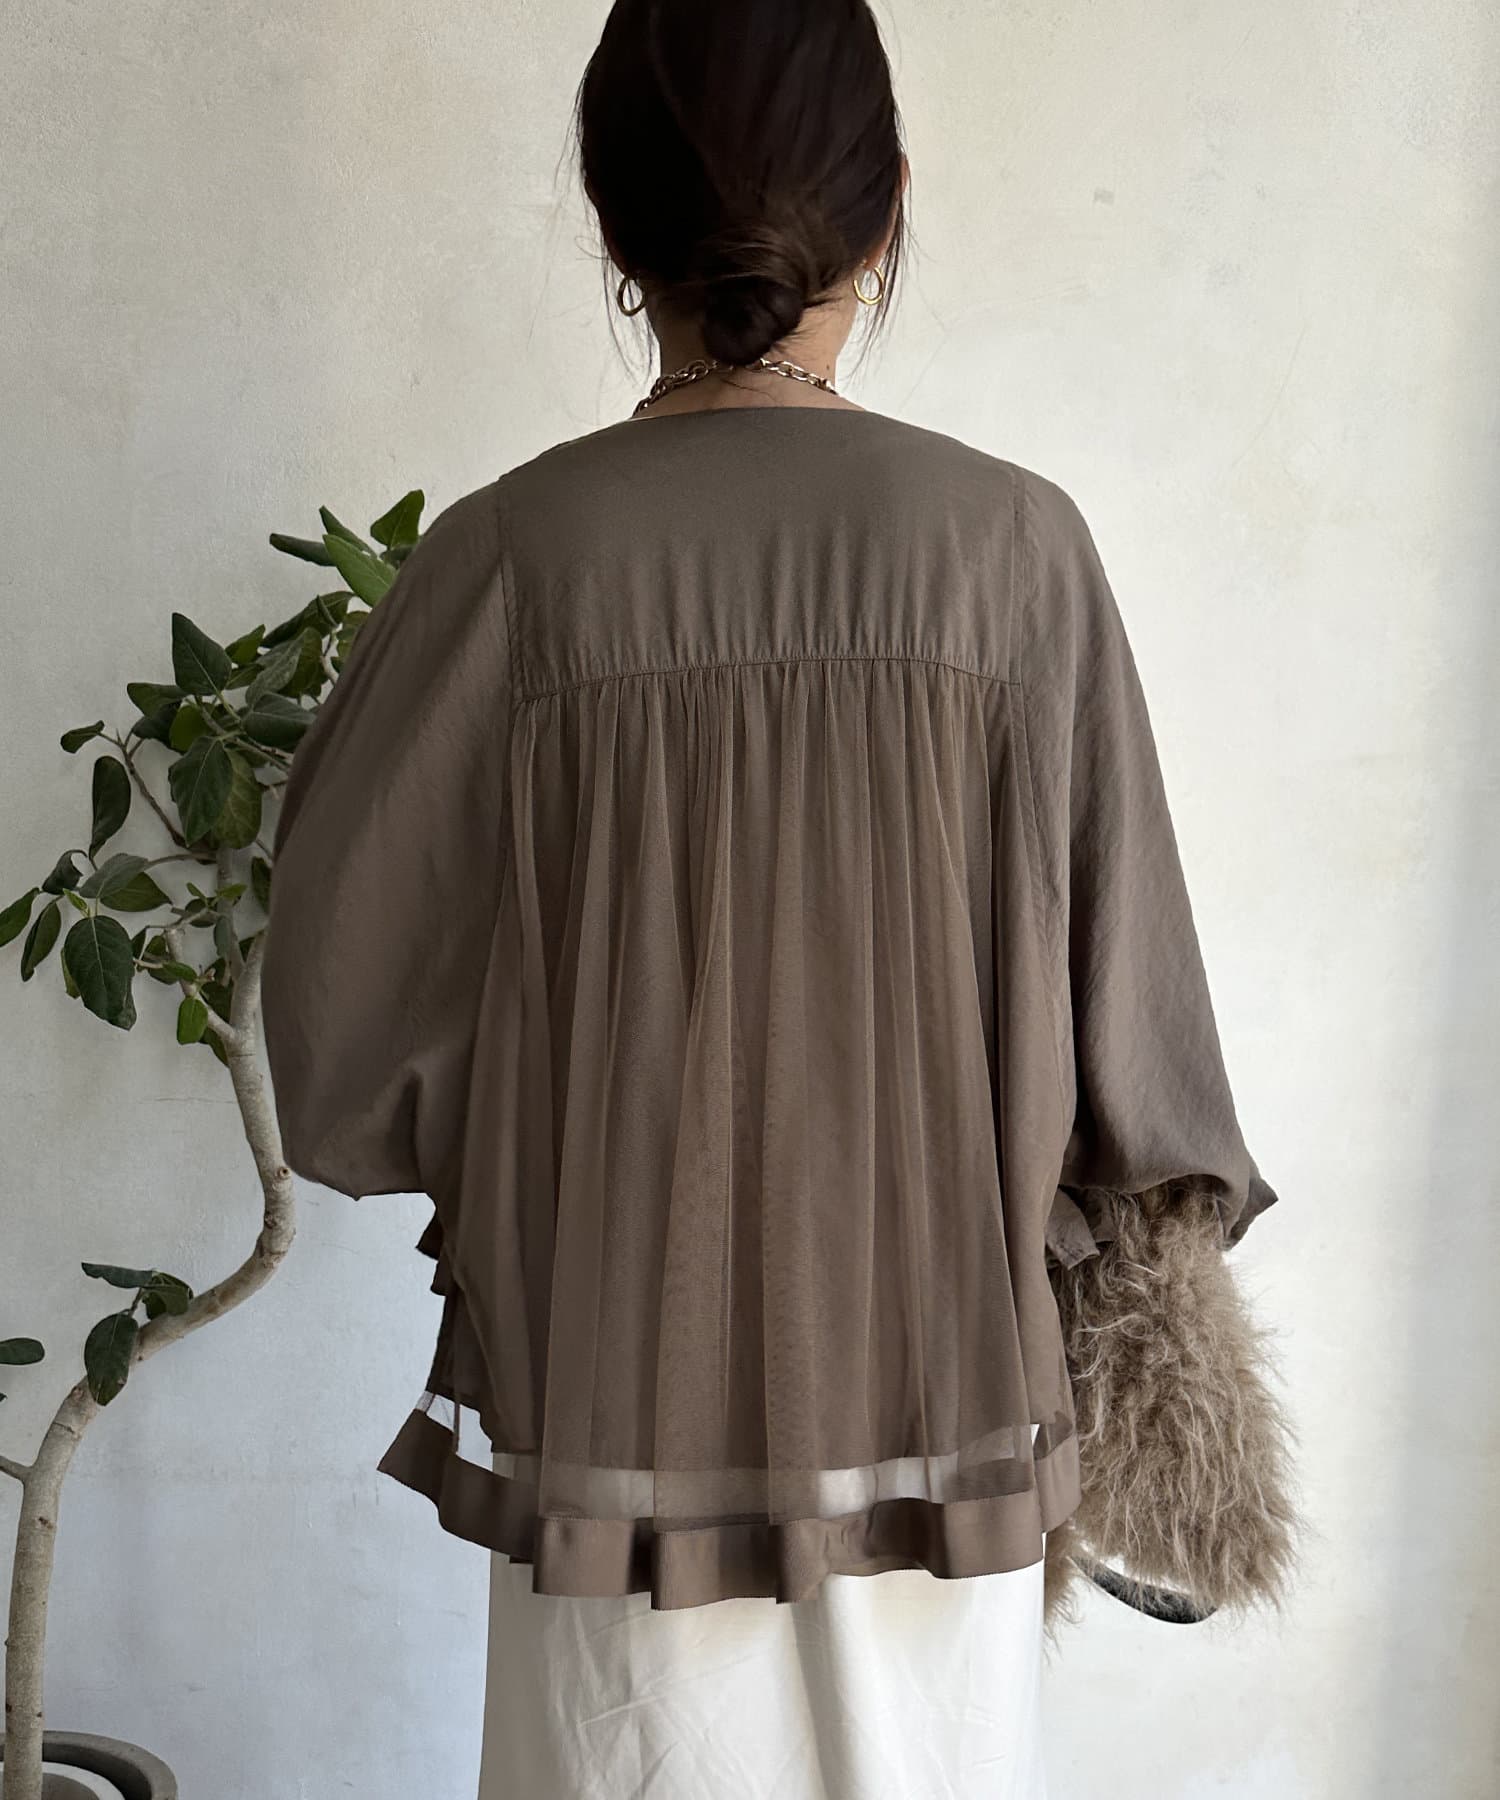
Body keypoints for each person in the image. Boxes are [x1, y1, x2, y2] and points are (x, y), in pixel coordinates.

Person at [259, 2, 1295, 1795]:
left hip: (613, 1421)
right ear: (887, 209)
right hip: (952, 1422)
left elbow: (341, 1047)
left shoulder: (506, 563)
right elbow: (1139, 1055)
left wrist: (574, 1142)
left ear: (612, 220)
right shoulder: (1014, 554)